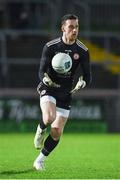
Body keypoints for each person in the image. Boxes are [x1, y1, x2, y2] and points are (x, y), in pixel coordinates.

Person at [33, 14, 91, 170]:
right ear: (63, 28)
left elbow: (88, 76)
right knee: (49, 117)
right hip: (49, 87)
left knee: (57, 131)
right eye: (71, 26)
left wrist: (82, 83)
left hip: (66, 92)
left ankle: (39, 160)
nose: (74, 30)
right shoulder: (51, 46)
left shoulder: (82, 50)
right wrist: (45, 80)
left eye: (76, 27)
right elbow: (40, 71)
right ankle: (40, 130)